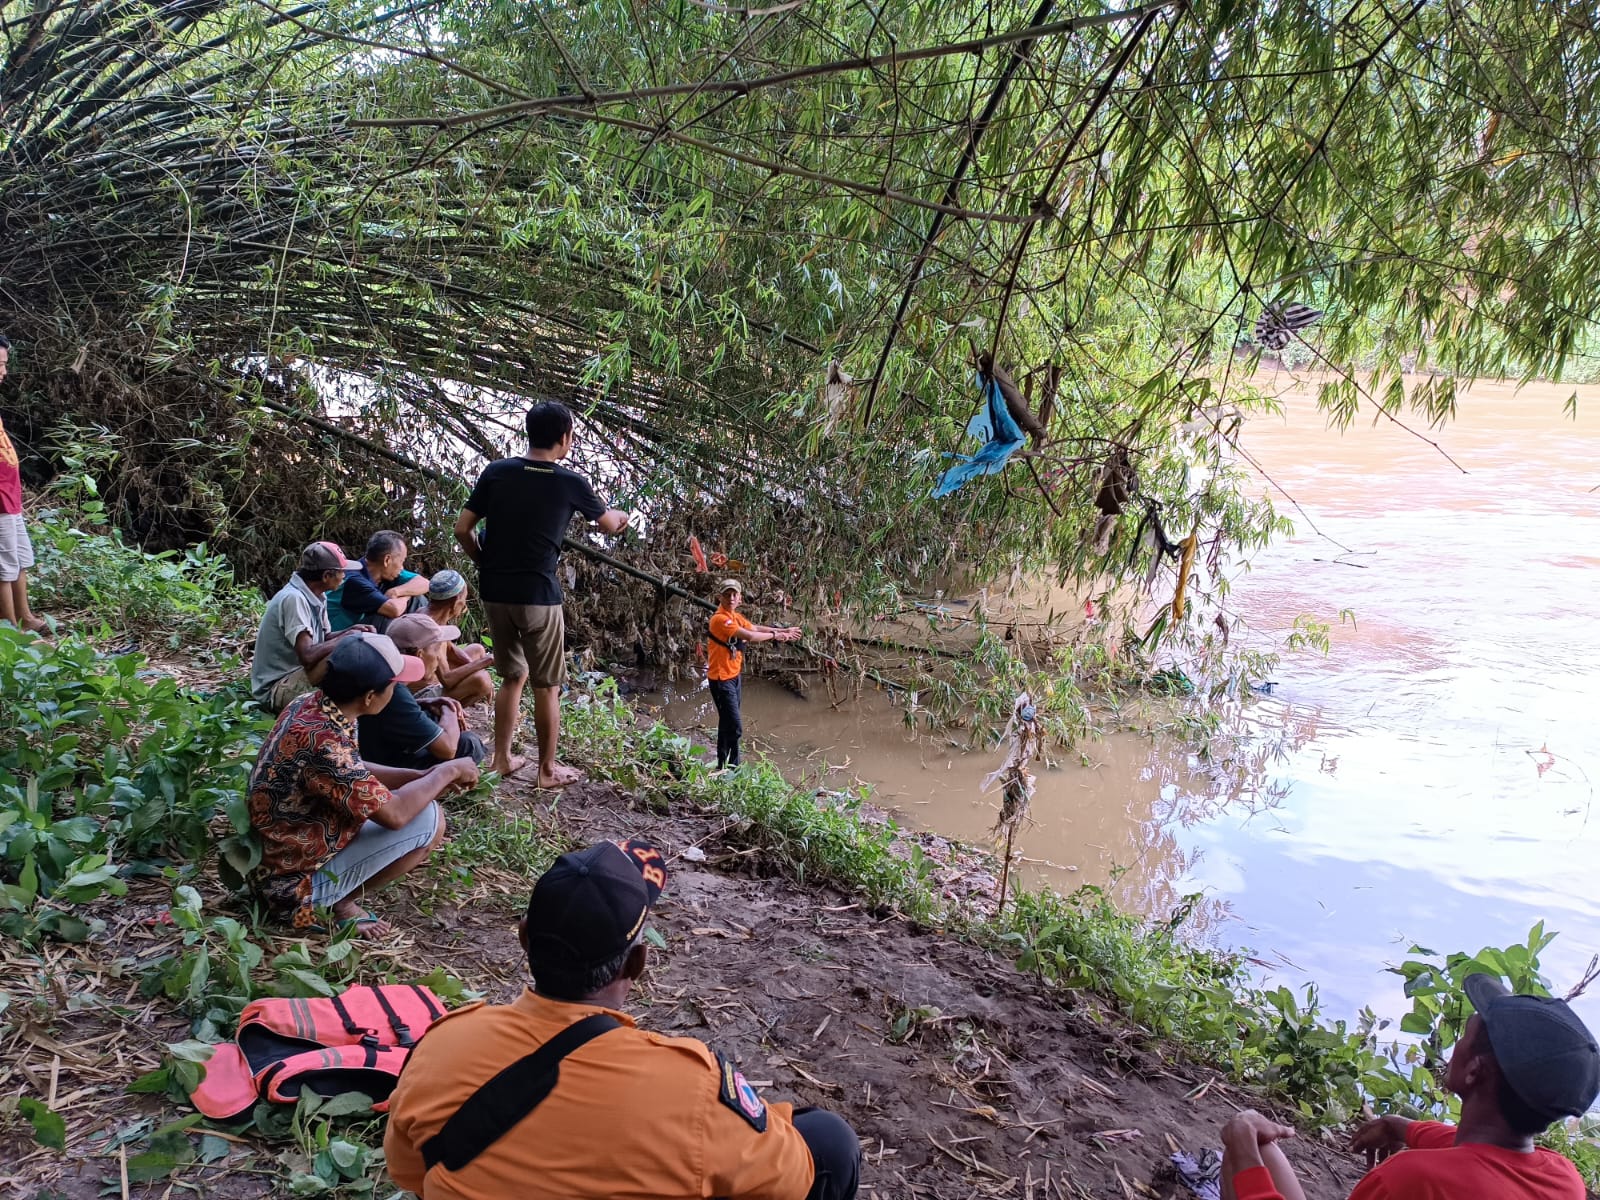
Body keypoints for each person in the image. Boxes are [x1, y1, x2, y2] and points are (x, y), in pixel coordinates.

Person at [384, 838, 861, 1200]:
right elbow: (793, 1176)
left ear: (525, 939)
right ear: (637, 965)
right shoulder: (690, 1088)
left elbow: (409, 1172)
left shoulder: (440, 1047)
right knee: (828, 1143)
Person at [1220, 973, 1600, 1200]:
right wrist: (1403, 1127)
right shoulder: (1564, 1180)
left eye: (1465, 1035)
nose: (1455, 1047)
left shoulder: (1412, 1179)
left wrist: (1241, 1145)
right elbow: (1479, 1158)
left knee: (1252, 1143)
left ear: (1474, 1071)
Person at [247, 633, 479, 937]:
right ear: (370, 697)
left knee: (420, 796)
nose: (400, 690)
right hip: (288, 887)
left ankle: (336, 895)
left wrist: (422, 775)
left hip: (272, 856)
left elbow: (354, 767)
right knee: (430, 819)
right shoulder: (326, 746)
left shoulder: (312, 704)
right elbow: (395, 815)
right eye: (395, 685)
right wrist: (445, 772)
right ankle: (337, 902)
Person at [454, 400, 629, 785]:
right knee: (546, 685)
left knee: (511, 676)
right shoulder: (569, 483)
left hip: (495, 592)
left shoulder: (497, 472)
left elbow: (463, 529)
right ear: (565, 437)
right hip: (538, 596)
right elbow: (606, 524)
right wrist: (619, 517)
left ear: (529, 432)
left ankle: (501, 759)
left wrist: (483, 562)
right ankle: (546, 771)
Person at [250, 541, 371, 713]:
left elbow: (325, 638)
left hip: (299, 673)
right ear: (326, 576)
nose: (344, 576)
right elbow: (307, 655)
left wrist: (353, 630)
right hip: (277, 687)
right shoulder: (294, 598)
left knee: (351, 652)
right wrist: (347, 638)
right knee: (345, 663)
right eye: (341, 572)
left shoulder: (317, 596)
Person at [358, 614, 487, 770]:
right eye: (437, 650)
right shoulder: (394, 691)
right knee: (469, 744)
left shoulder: (383, 674)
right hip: (386, 768)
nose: (439, 659)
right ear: (419, 654)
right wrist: (449, 708)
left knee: (431, 715)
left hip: (374, 749)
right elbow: (448, 750)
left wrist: (424, 702)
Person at [706, 578, 801, 772]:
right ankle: (733, 769)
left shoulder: (735, 616)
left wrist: (782, 630)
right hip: (721, 680)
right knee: (735, 727)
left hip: (733, 677)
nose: (731, 598)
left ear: (739, 598)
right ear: (719, 597)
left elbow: (755, 628)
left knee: (727, 722)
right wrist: (777, 636)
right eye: (727, 594)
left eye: (734, 594)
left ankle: (722, 765)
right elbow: (750, 637)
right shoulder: (720, 619)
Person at [0, 333, 50, 633]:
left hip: (10, 495)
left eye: (4, 364)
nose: (3, 371)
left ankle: (25, 616)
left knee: (19, 558)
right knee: (3, 566)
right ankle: (10, 629)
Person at [418, 569, 493, 705]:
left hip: (438, 676)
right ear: (456, 603)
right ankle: (444, 711)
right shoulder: (430, 629)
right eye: (464, 600)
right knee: (482, 680)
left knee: (477, 649)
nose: (464, 605)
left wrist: (475, 666)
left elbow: (450, 650)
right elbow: (447, 680)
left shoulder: (431, 615)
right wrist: (485, 662)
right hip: (424, 692)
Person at [334, 530, 430, 632]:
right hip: (336, 638)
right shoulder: (354, 580)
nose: (402, 567)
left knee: (417, 597)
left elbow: (425, 583)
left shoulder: (387, 572)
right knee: (390, 615)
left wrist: (396, 592)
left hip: (357, 633)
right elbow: (394, 610)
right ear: (387, 560)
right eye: (402, 561)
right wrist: (407, 596)